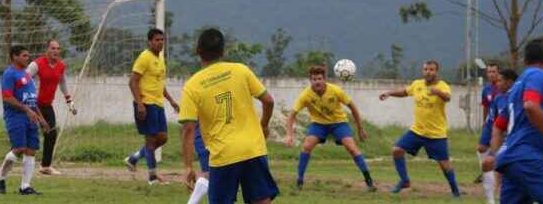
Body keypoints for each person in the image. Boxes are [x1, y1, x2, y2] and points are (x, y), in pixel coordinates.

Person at [179, 28, 278, 204]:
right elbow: (269, 101)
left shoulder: (192, 86)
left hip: (223, 155)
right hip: (253, 149)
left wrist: (188, 166)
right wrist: (263, 125)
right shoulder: (241, 70)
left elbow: (188, 128)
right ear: (223, 51)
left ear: (197, 51)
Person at [482, 38, 543, 204]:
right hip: (525, 156)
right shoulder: (538, 75)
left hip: (510, 159)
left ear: (525, 60)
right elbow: (530, 105)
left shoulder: (517, 85)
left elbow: (498, 126)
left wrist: (495, 154)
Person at [283, 65, 375, 191]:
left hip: (339, 123)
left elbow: (353, 107)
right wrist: (289, 135)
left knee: (352, 148)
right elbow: (291, 115)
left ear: (324, 79)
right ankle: (299, 180)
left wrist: (360, 128)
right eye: (314, 79)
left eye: (319, 79)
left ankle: (369, 181)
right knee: (306, 146)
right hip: (318, 125)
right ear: (311, 81)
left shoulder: (335, 90)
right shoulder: (305, 95)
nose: (317, 82)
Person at [379, 60, 461, 197]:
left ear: (436, 71)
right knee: (397, 150)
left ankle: (455, 191)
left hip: (436, 134)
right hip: (417, 131)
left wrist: (438, 92)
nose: (428, 72)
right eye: (426, 69)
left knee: (444, 164)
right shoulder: (417, 84)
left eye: (431, 69)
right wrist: (389, 93)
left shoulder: (442, 86)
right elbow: (405, 92)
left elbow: (447, 97)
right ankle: (405, 181)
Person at [123, 28, 179, 185]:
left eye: (162, 40)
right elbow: (132, 81)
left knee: (162, 138)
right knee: (150, 141)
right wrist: (140, 104)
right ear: (150, 41)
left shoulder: (160, 58)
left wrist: (171, 101)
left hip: (158, 103)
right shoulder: (144, 57)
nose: (160, 42)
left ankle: (133, 158)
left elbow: (160, 83)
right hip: (146, 103)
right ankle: (153, 177)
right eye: (157, 40)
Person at [0, 45, 50, 195]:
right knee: (19, 149)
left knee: (31, 151)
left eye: (27, 55)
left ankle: (25, 187)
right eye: (24, 55)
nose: (27, 58)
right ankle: (0, 178)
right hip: (16, 116)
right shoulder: (9, 74)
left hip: (31, 116)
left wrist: (41, 119)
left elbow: (32, 100)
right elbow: (7, 97)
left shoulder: (27, 75)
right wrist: (26, 110)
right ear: (15, 57)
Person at [26, 39, 75, 175]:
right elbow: (24, 79)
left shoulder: (61, 66)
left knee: (51, 134)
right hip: (33, 105)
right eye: (53, 48)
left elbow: (63, 82)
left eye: (58, 49)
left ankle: (45, 166)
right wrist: (28, 95)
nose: (55, 51)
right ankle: (14, 158)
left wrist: (69, 100)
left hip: (47, 105)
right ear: (47, 50)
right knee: (29, 134)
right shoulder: (37, 64)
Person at [480, 69, 517, 204]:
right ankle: (492, 198)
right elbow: (491, 121)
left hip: (515, 141)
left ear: (509, 82)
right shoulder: (498, 98)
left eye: (500, 81)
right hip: (500, 140)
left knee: (505, 170)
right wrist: (485, 139)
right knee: (489, 164)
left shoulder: (517, 98)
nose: (497, 84)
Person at [476, 63, 501, 184]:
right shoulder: (486, 89)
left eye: (493, 72)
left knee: (498, 150)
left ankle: (497, 174)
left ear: (498, 73)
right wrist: (484, 122)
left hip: (502, 124)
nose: (491, 74)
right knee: (481, 148)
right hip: (490, 123)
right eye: (489, 72)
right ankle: (484, 172)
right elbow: (485, 106)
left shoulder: (503, 87)